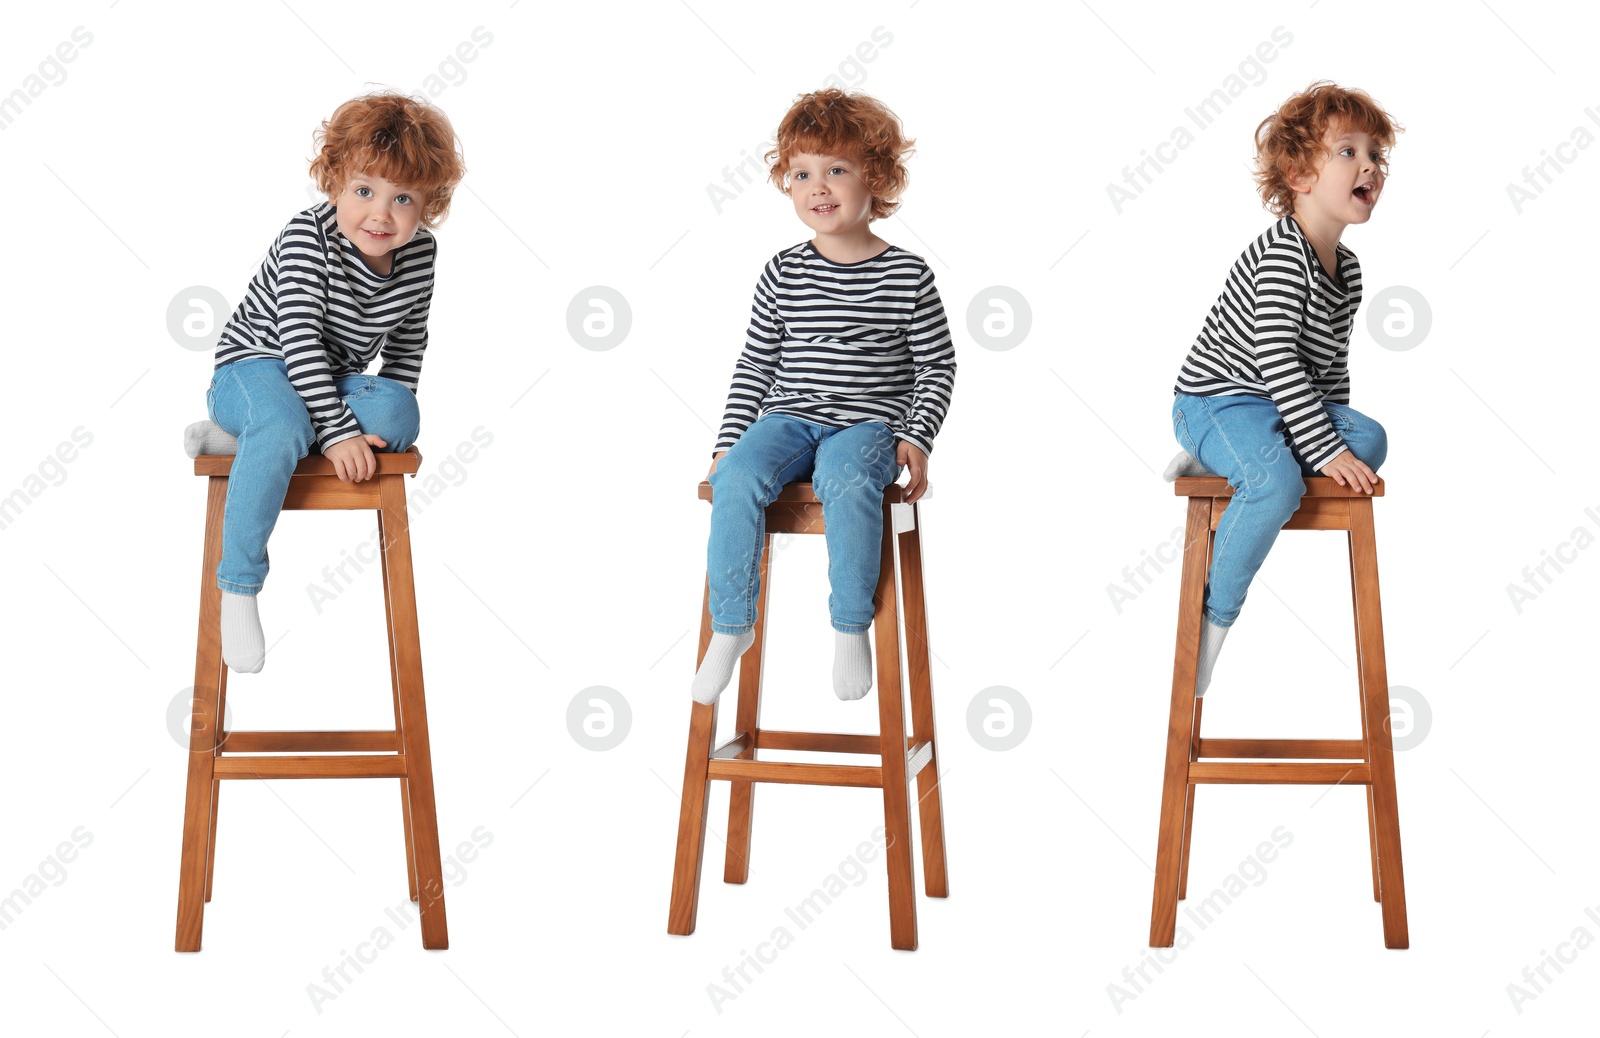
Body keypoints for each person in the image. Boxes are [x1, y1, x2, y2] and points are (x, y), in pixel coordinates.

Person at [184, 90, 465, 673]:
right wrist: (337, 434)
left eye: (403, 198)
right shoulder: (307, 238)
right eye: (364, 191)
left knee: (396, 418)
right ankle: (238, 584)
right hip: (258, 363)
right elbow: (300, 343)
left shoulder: (421, 256)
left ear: (427, 206)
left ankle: (254, 440)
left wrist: (388, 408)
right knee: (283, 415)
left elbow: (409, 342)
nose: (381, 215)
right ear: (334, 184)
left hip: (329, 380)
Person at [692, 88, 956, 705]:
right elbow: (756, 362)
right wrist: (728, 443)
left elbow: (936, 366)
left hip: (866, 425)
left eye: (837, 170)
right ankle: (732, 628)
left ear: (877, 179)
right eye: (802, 173)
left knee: (846, 478)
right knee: (736, 478)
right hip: (788, 418)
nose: (819, 186)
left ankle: (848, 627)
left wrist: (916, 437)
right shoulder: (784, 271)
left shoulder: (908, 275)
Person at [1164, 80, 1402, 695]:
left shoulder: (1346, 270)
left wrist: (1341, 442)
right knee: (1276, 485)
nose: (1369, 166)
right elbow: (1276, 361)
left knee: (1369, 440)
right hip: (1218, 399)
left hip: (1280, 404)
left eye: (1377, 155)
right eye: (1348, 151)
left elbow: (1327, 373)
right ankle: (1211, 624)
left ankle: (1245, 454)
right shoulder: (1281, 256)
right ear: (1299, 175)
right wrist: (1323, 451)